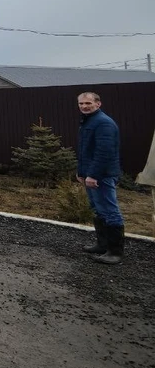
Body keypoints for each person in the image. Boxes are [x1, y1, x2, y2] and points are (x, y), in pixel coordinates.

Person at [76, 92, 124, 265]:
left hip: (101, 176)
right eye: (81, 104)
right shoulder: (89, 121)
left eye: (88, 103)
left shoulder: (103, 123)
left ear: (98, 104)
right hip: (90, 175)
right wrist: (80, 172)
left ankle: (115, 252)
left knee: (110, 211)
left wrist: (93, 175)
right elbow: (85, 151)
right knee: (98, 209)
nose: (84, 106)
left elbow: (104, 153)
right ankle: (102, 245)